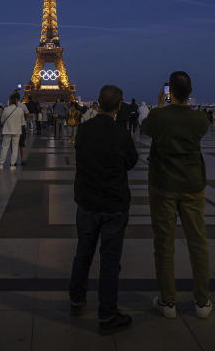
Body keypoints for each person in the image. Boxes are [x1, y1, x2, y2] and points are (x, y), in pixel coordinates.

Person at [141, 71, 214, 321]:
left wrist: (160, 105)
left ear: (169, 91)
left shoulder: (159, 116)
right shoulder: (200, 119)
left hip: (163, 184)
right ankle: (202, 302)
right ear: (190, 91)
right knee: (198, 242)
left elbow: (145, 129)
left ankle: (168, 300)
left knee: (163, 243)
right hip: (193, 184)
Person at [69, 85, 138, 335]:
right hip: (114, 204)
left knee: (83, 253)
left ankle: (77, 298)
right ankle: (107, 314)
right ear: (119, 107)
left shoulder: (84, 129)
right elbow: (131, 161)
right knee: (110, 261)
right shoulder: (121, 133)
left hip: (87, 201)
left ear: (97, 103)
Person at [0, 93, 27, 170]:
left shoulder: (6, 109)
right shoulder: (20, 110)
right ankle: (12, 165)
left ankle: (1, 164)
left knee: (5, 148)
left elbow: (2, 121)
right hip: (17, 131)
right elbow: (23, 122)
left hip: (7, 131)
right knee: (15, 148)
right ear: (17, 100)